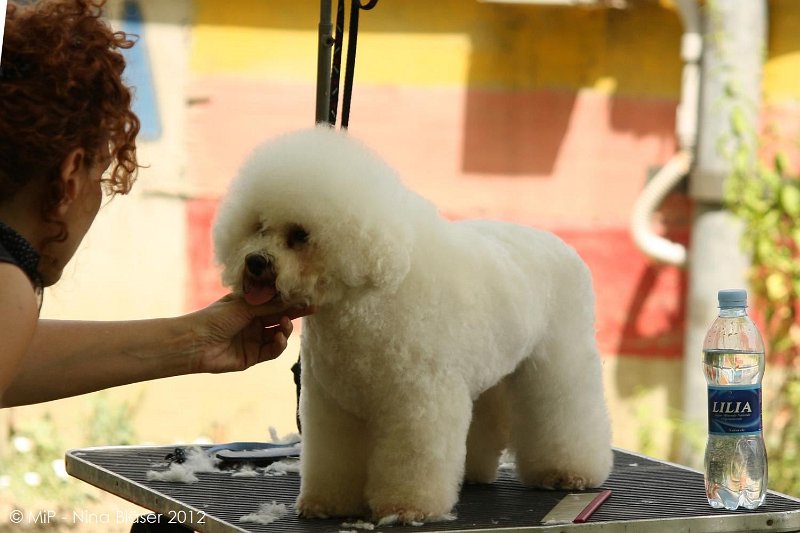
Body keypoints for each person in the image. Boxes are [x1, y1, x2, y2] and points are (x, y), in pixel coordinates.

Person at [0, 0, 312, 408]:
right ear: (70, 176)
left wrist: (192, 340)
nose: (98, 195)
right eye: (100, 177)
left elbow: (14, 363)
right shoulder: (9, 285)